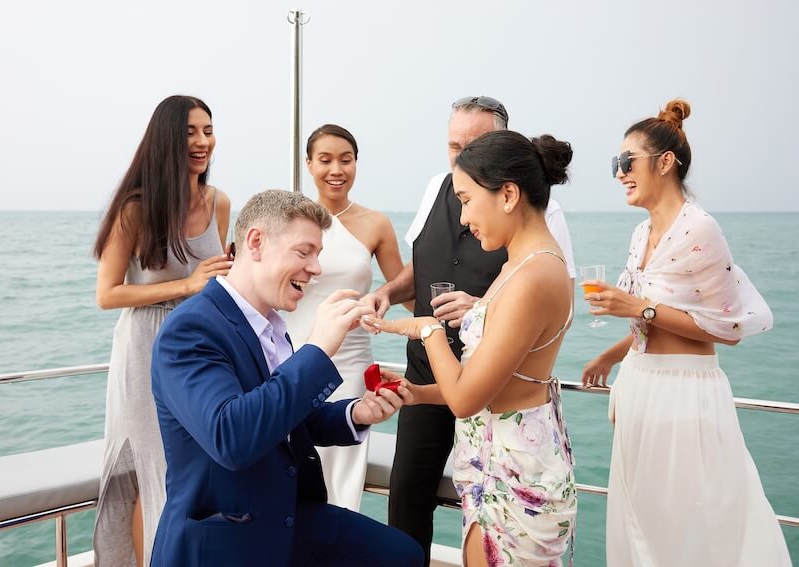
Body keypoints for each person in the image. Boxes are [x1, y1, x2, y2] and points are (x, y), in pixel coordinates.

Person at [149, 190, 424, 566]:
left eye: (318, 255)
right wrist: (318, 348)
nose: (316, 268)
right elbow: (232, 437)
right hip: (226, 534)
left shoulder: (272, 327)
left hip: (286, 515)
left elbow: (288, 417)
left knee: (402, 555)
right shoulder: (191, 328)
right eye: (304, 252)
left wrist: (357, 413)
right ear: (256, 242)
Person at [361, 96, 576, 563]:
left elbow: (466, 398)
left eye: (467, 201)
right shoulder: (519, 263)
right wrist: (418, 394)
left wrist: (426, 331)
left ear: (508, 194)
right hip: (493, 459)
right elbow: (491, 385)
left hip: (515, 470)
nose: (461, 218)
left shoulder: (534, 274)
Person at [581, 99, 791, 565]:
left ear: (665, 162)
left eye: (626, 162)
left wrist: (639, 306)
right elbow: (648, 318)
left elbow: (727, 328)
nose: (618, 173)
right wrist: (613, 355)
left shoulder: (701, 229)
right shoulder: (641, 234)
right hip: (638, 385)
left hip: (684, 393)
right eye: (616, 164)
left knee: (691, 525)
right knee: (641, 522)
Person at [91, 95, 232, 567]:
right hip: (145, 347)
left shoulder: (219, 203)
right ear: (165, 139)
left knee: (195, 467)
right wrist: (187, 284)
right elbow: (107, 294)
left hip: (203, 348)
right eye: (190, 131)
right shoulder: (136, 208)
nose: (202, 141)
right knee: (149, 466)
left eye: (208, 130)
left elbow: (219, 279)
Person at [284, 124, 404, 511]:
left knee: (342, 484)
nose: (337, 169)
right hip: (291, 359)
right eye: (325, 160)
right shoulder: (289, 217)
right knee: (291, 472)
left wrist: (382, 299)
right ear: (309, 164)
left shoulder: (376, 223)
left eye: (346, 160)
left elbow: (403, 286)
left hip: (351, 364)